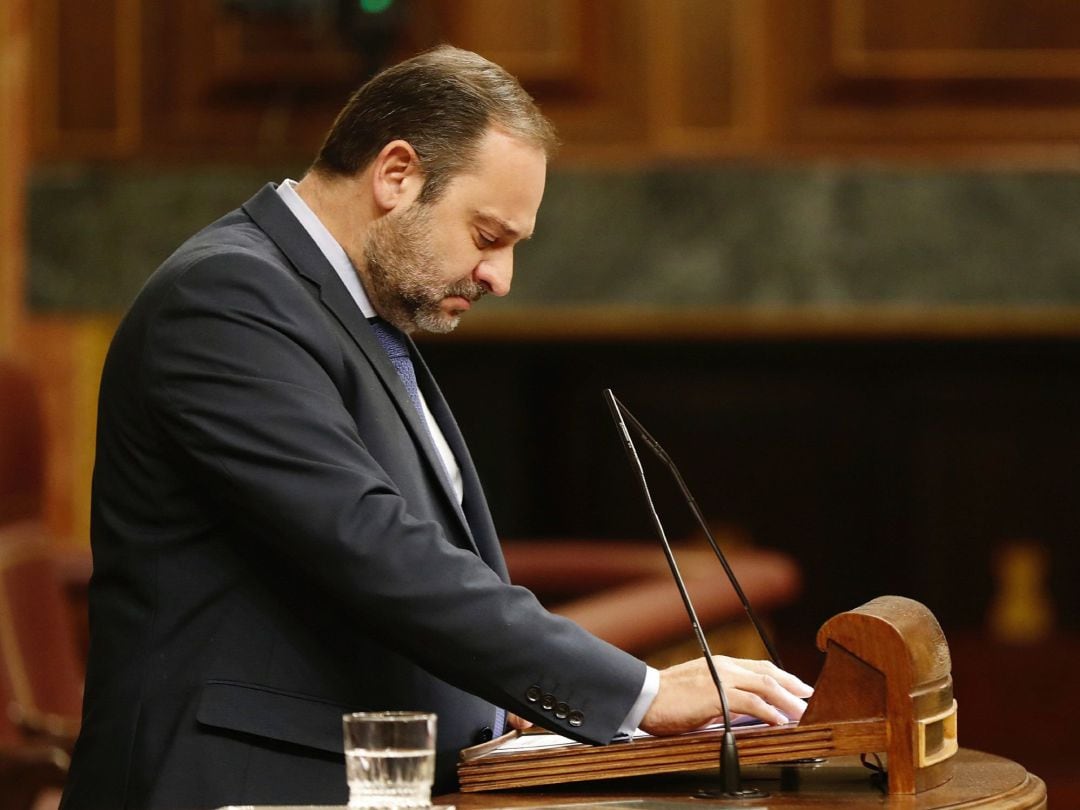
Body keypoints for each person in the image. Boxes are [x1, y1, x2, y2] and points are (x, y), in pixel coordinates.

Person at [60, 46, 813, 809]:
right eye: (488, 237)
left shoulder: (351, 312)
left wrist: (499, 706)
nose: (500, 278)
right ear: (396, 175)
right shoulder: (226, 298)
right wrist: (639, 692)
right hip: (236, 785)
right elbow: (371, 544)